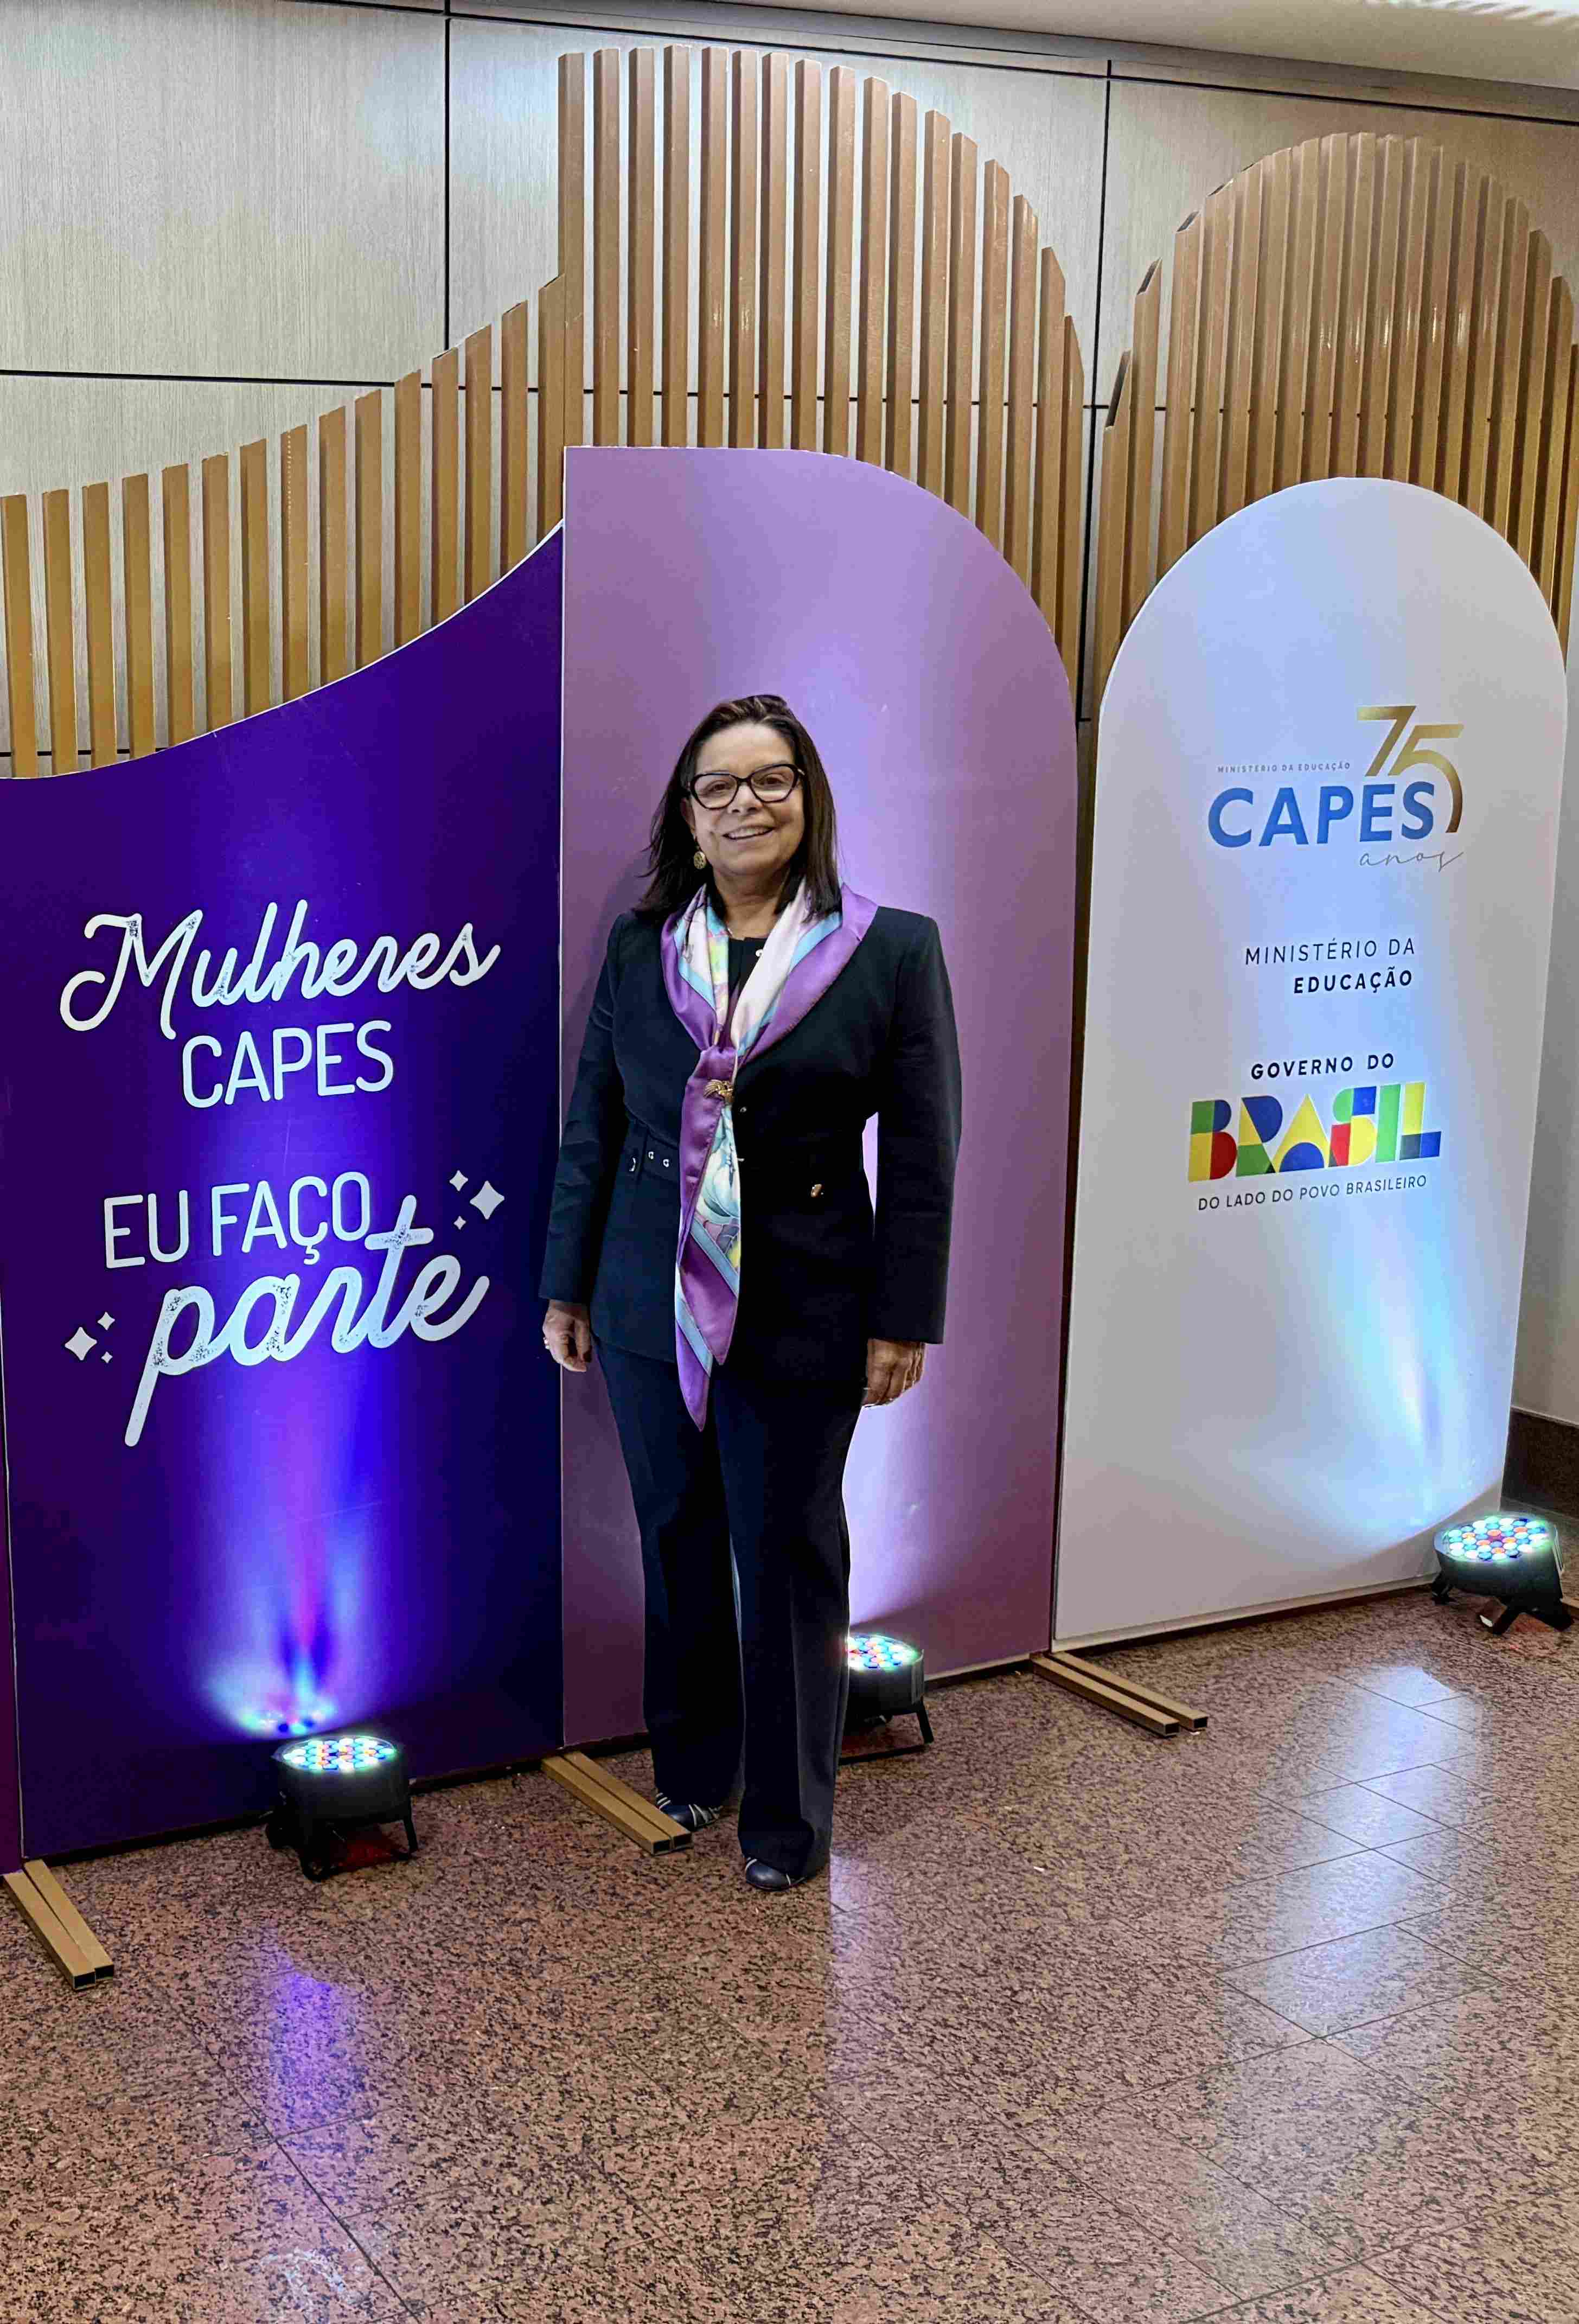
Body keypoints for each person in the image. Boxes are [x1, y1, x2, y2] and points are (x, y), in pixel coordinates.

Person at [539, 693, 961, 1892]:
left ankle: (786, 1822)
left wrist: (903, 1317)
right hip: (642, 1296)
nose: (745, 805)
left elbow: (924, 1154)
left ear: (808, 796)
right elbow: (595, 1123)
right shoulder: (642, 947)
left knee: (785, 1554)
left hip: (806, 1302)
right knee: (676, 1535)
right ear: (688, 814)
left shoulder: (890, 950)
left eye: (771, 780)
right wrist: (566, 1284)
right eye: (718, 787)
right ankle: (693, 1763)